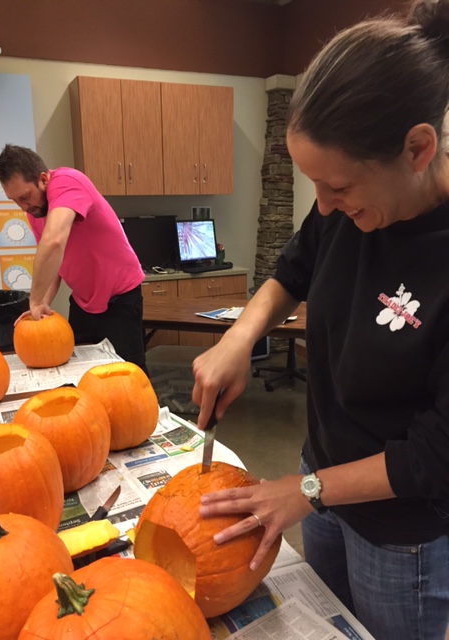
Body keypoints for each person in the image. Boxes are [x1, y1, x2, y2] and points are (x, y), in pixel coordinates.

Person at [192, 1, 449, 638]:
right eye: (313, 186)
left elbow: (437, 455)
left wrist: (303, 492)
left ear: (418, 148)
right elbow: (294, 269)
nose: (324, 207)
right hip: (323, 478)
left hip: (401, 536)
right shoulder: (339, 208)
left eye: (338, 188)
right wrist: (239, 337)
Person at [0, 144, 148, 372]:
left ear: (43, 179)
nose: (23, 207)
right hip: (82, 302)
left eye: (25, 197)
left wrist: (34, 301)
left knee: (128, 373)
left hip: (120, 299)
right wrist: (44, 301)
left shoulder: (68, 182)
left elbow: (54, 241)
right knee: (80, 371)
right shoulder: (36, 212)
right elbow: (55, 261)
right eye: (15, 200)